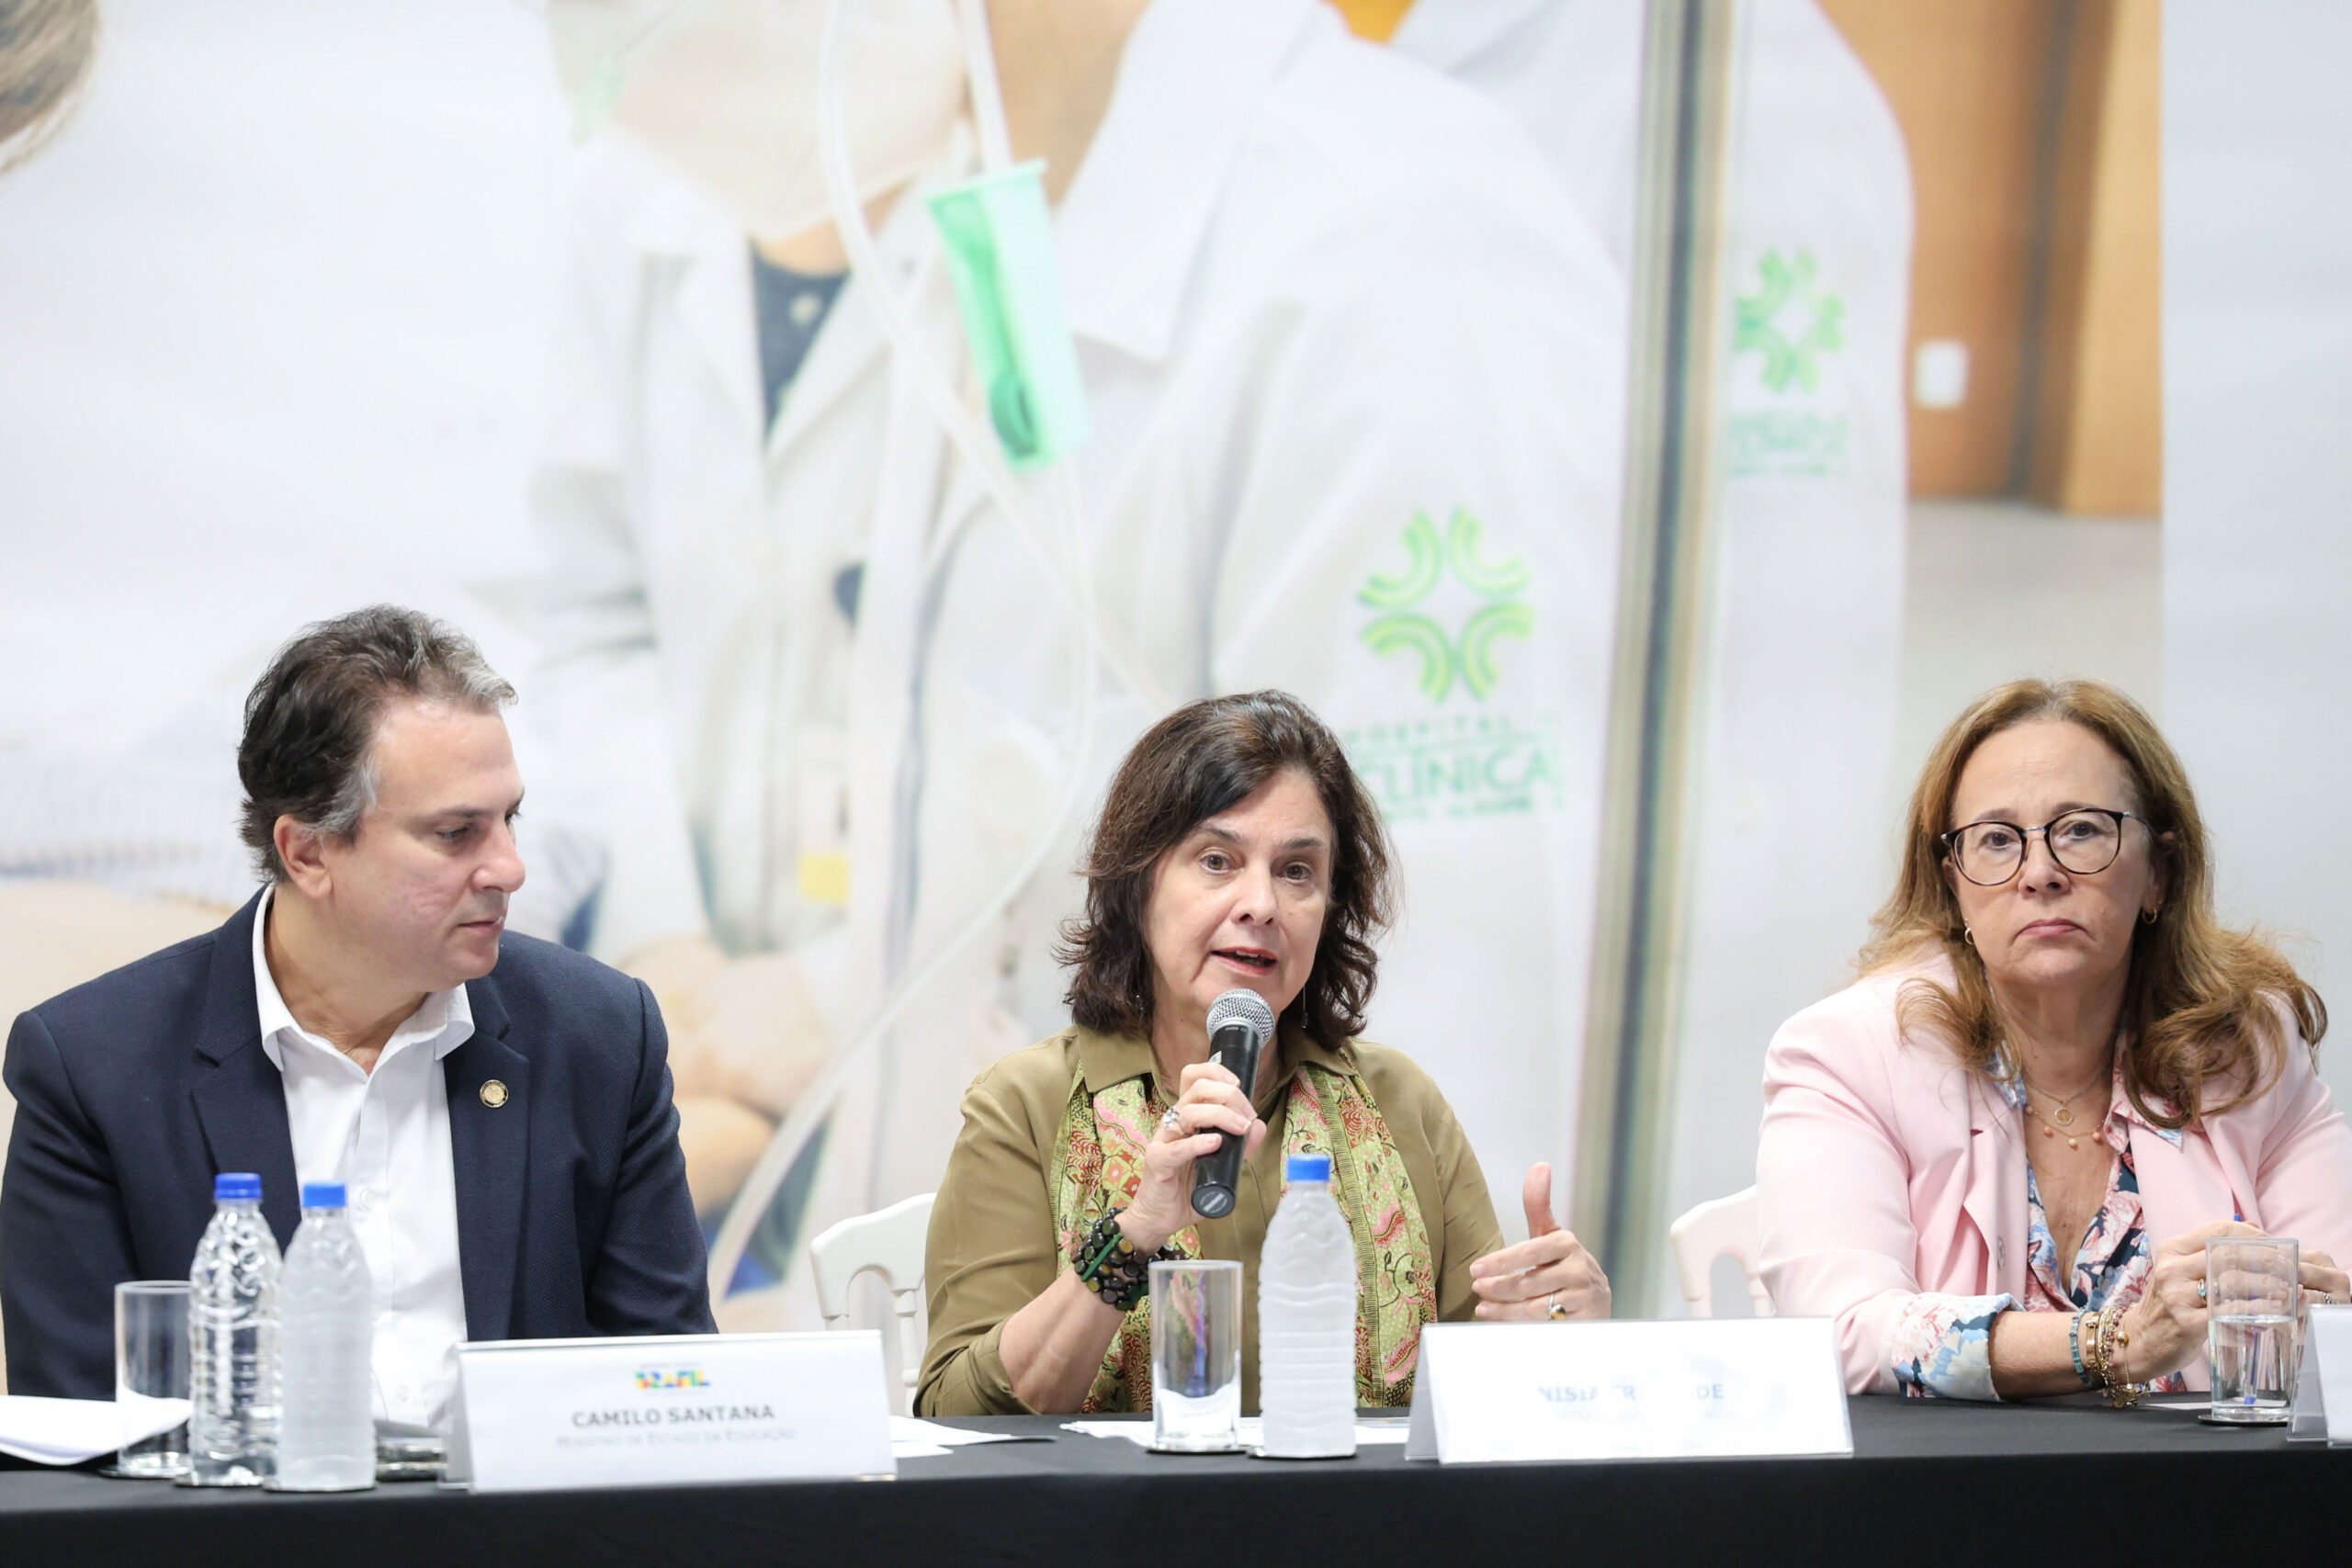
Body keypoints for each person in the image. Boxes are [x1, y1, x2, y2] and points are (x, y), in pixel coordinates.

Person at [528, 0, 1624, 1309]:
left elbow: (1429, 1004)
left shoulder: (1399, 242)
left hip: (1274, 1394)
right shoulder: (980, 228)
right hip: (1015, 1330)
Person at [0, 606, 712, 1421]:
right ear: (308, 852)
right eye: (456, 832)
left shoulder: (598, 1034)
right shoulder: (93, 1068)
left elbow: (673, 1386)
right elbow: (79, 1446)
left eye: (508, 819)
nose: (510, 868)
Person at [918, 691, 1609, 1416]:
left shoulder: (1400, 1101)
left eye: (1297, 870)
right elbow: (958, 1414)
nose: (1262, 904)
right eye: (1217, 860)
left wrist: (1559, 1323)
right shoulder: (1027, 1101)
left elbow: (1486, 1385)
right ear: (1139, 883)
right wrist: (1132, 1238)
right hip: (1117, 1528)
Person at [1757, 679, 2352, 1401]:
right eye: (1997, 840)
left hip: (2206, 1498)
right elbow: (1842, 1329)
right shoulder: (1848, 1053)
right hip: (1944, 1499)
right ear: (1954, 888)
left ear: (2158, 872)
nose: (2039, 873)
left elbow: (2336, 1320)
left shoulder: (2245, 1048)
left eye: (2081, 829)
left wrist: (2311, 1308)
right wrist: (2114, 1342)